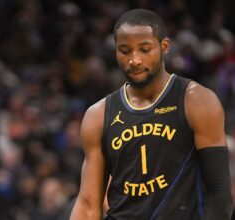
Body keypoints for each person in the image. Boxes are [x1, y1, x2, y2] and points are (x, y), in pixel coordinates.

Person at [70, 9, 233, 220]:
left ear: (164, 47)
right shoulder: (98, 115)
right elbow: (87, 204)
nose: (134, 60)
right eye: (125, 51)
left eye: (144, 49)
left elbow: (219, 193)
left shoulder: (196, 100)